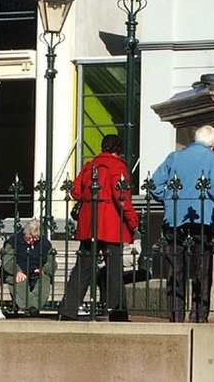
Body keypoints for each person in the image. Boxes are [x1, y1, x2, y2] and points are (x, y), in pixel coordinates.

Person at [57, 134, 139, 321]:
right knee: (114, 271)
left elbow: (75, 191)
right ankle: (117, 312)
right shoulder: (118, 167)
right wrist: (133, 221)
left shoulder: (90, 166)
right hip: (111, 225)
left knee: (83, 268)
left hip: (89, 225)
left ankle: (67, 310)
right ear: (118, 150)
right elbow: (122, 198)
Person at [151, 125, 214, 323]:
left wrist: (169, 199)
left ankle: (176, 315)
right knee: (202, 270)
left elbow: (154, 184)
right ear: (213, 145)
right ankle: (198, 315)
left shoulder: (174, 157)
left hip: (174, 219)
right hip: (202, 220)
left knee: (175, 270)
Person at [0, 218, 56, 316]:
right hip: (16, 272)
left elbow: (52, 262)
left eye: (35, 238)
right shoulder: (13, 241)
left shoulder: (45, 244)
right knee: (21, 280)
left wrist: (44, 270)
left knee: (44, 280)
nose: (32, 241)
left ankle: (32, 307)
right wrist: (17, 271)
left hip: (36, 273)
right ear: (25, 233)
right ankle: (31, 308)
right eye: (30, 237)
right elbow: (8, 261)